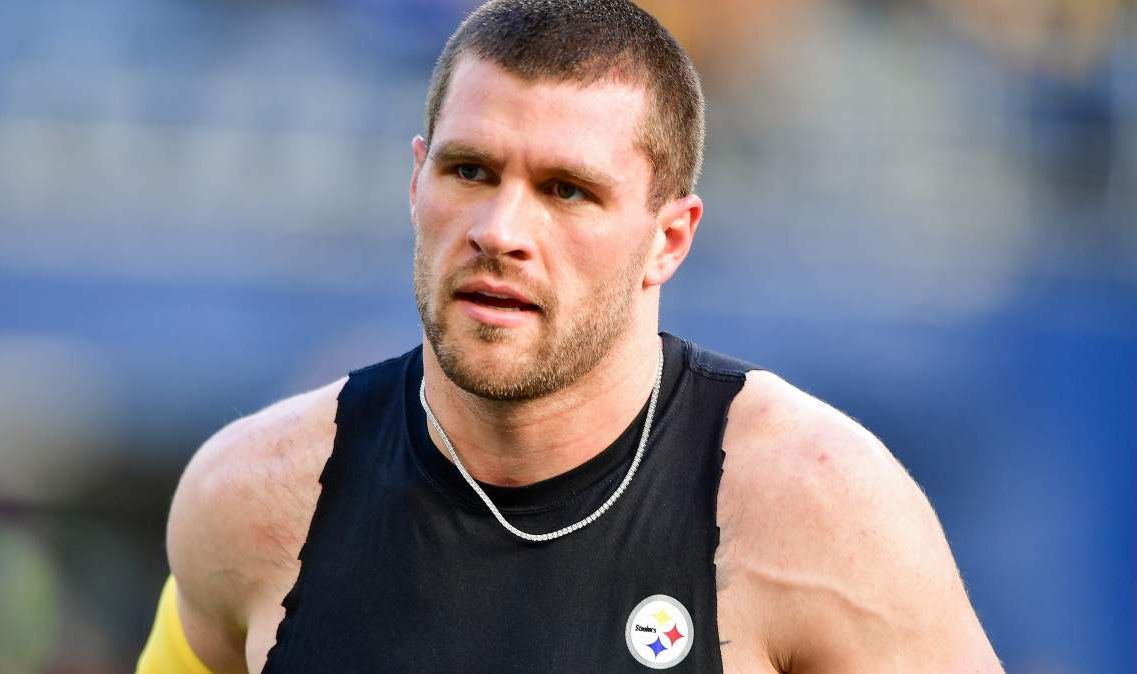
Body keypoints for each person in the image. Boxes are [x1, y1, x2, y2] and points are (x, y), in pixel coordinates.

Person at [137, 1, 1004, 671]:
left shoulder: (818, 513)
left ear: (669, 239)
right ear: (415, 181)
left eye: (566, 190)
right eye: (470, 170)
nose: (499, 231)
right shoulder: (253, 501)